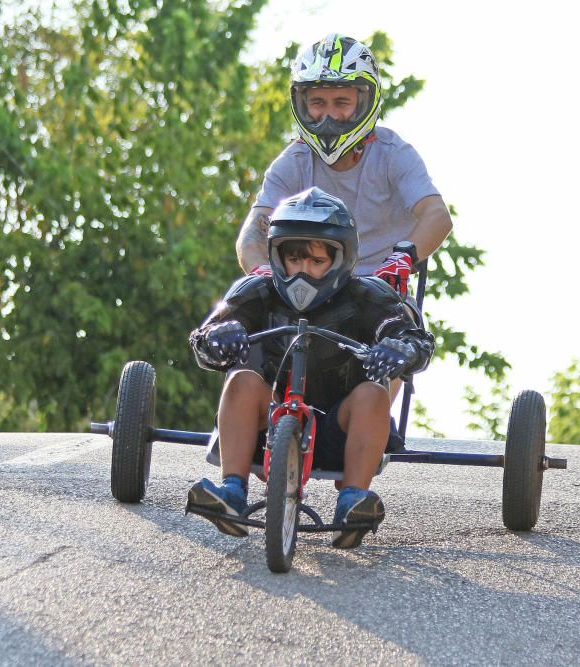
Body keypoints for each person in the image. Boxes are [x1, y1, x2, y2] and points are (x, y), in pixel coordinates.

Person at [187, 187, 434, 548]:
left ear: (342, 259)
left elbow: (414, 338)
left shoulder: (368, 296)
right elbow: (205, 335)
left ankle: (352, 501)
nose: (303, 271)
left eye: (317, 262)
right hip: (265, 423)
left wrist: (401, 349)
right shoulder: (256, 290)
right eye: (294, 259)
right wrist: (218, 337)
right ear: (277, 256)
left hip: (340, 432)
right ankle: (232, 491)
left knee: (372, 394)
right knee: (241, 380)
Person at [236, 33, 454, 299]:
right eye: (318, 102)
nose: (329, 115)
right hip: (306, 295)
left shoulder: (393, 154)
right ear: (302, 103)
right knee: (236, 313)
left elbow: (437, 214)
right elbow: (252, 232)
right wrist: (263, 272)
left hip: (381, 295)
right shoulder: (292, 162)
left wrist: (403, 259)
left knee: (403, 339)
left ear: (364, 101)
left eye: (342, 102)